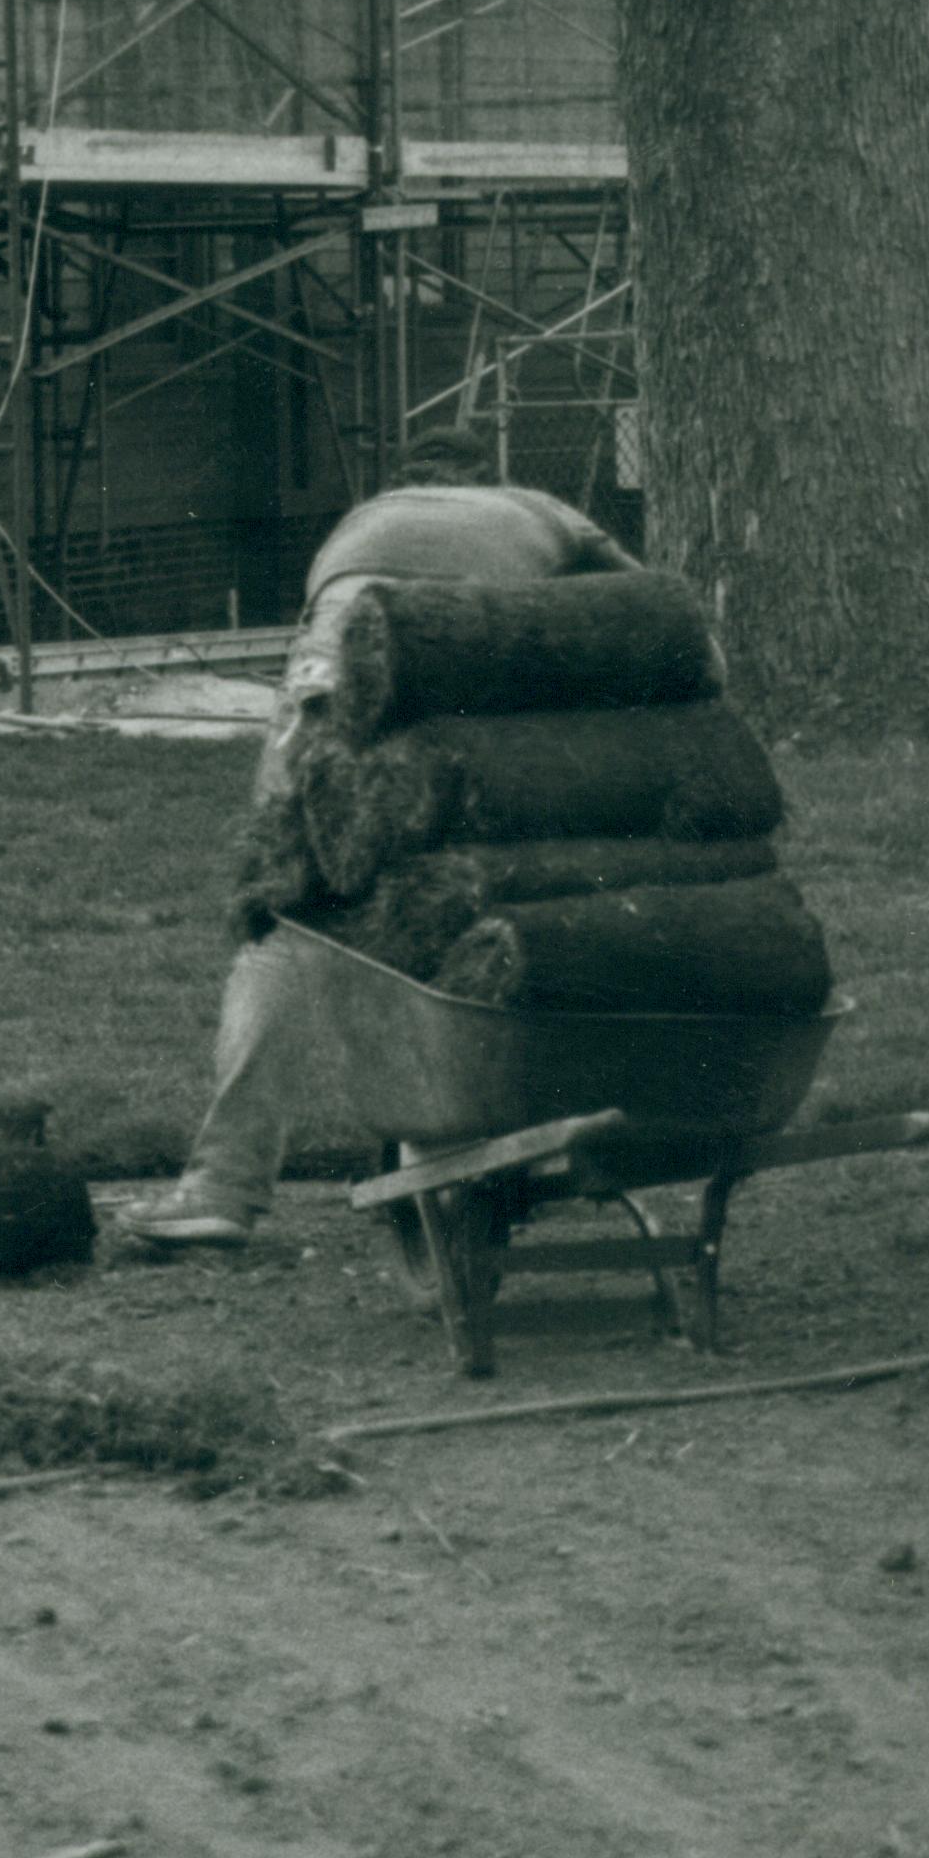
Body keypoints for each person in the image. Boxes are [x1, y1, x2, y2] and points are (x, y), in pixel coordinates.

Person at [114, 429, 642, 1252]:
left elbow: (330, 671)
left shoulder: (361, 521)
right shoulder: (535, 509)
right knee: (482, 890)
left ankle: (220, 1185)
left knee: (287, 911)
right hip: (472, 642)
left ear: (407, 480)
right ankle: (499, 1129)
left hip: (343, 639)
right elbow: (652, 614)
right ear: (484, 479)